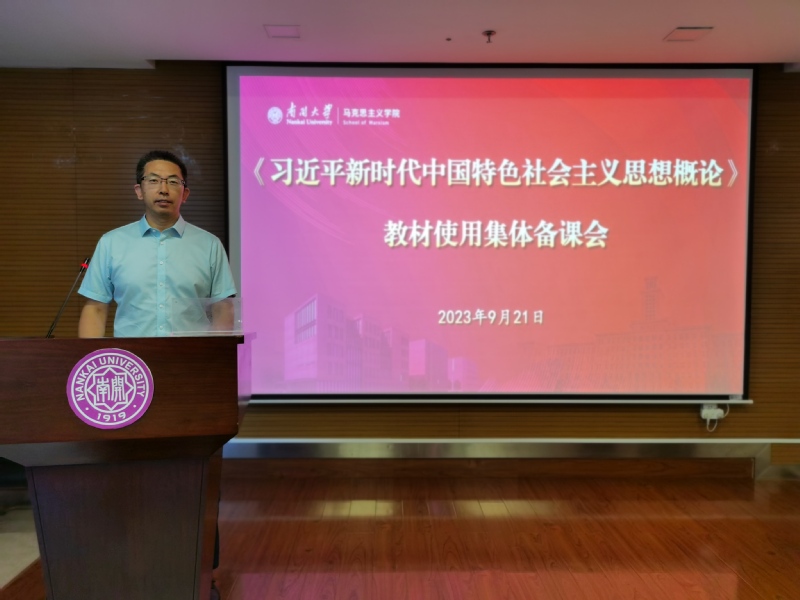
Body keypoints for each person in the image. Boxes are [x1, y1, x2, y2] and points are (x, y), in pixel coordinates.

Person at [78, 149, 234, 600]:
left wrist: (216, 367)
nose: (163, 188)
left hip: (190, 380)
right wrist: (87, 366)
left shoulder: (208, 245)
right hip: (127, 381)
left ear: (185, 192)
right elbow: (95, 308)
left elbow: (223, 309)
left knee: (197, 476)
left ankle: (203, 573)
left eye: (172, 181)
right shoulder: (112, 243)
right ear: (138, 190)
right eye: (153, 180)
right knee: (131, 476)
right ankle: (132, 568)